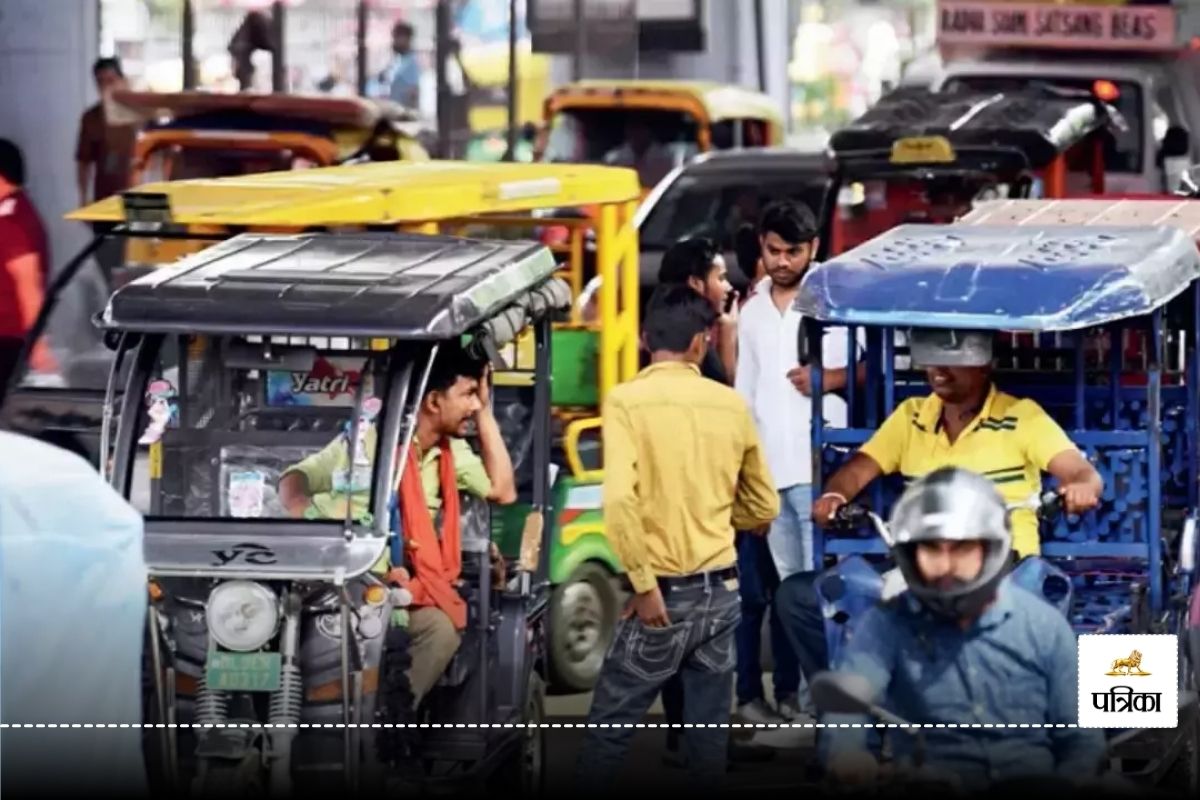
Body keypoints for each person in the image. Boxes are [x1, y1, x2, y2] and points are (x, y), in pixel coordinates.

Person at [775, 328, 1104, 694]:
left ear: (984, 366)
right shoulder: (911, 417)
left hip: (1005, 567)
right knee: (799, 597)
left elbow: (1079, 470)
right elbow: (858, 469)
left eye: (954, 358)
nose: (939, 368)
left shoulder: (1021, 417)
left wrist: (1082, 486)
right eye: (933, 356)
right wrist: (835, 495)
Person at [574, 285, 779, 792]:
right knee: (706, 747)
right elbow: (764, 506)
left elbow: (620, 500)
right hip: (722, 594)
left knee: (609, 731)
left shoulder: (625, 401)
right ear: (702, 344)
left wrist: (643, 585)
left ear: (645, 340)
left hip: (663, 596)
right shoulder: (731, 404)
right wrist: (718, 514)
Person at [821, 467, 1106, 792]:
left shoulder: (1044, 627)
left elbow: (1081, 739)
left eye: (962, 549)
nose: (946, 566)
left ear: (990, 550)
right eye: (931, 549)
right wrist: (846, 755)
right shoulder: (886, 623)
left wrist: (1072, 782)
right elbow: (849, 705)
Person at [277, 345, 516, 705]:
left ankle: (389, 720)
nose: (475, 405)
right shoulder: (364, 441)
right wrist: (303, 509)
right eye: (468, 394)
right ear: (434, 401)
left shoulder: (453, 454)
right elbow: (296, 478)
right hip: (332, 585)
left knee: (440, 631)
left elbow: (503, 490)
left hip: (398, 592)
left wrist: (485, 417)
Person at [734, 199, 856, 724]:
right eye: (773, 251)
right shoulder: (753, 307)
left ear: (814, 249)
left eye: (793, 251)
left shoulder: (836, 295)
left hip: (821, 471)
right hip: (769, 475)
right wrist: (744, 478)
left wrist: (827, 380)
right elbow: (745, 395)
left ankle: (827, 707)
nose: (782, 261)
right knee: (790, 594)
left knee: (821, 591)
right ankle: (810, 703)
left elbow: (879, 366)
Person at [0, 138, 53, 398]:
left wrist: (38, 347)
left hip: (6, 340)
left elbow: (28, 285)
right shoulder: (17, 210)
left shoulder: (11, 221)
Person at [75, 57, 135, 283]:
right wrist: (83, 199)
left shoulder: (139, 114)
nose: (106, 86)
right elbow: (83, 161)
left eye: (111, 80)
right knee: (108, 264)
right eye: (100, 82)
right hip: (106, 202)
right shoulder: (92, 119)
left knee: (138, 260)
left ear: (123, 81)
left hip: (139, 202)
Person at [604, 118, 675, 187]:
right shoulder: (614, 158)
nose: (636, 134)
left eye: (639, 129)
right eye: (632, 129)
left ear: (648, 131)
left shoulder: (664, 157)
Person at [375, 20, 421, 109]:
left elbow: (413, 94)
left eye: (396, 37)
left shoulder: (412, 64)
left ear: (406, 38)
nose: (394, 41)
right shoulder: (397, 61)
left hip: (403, 117)